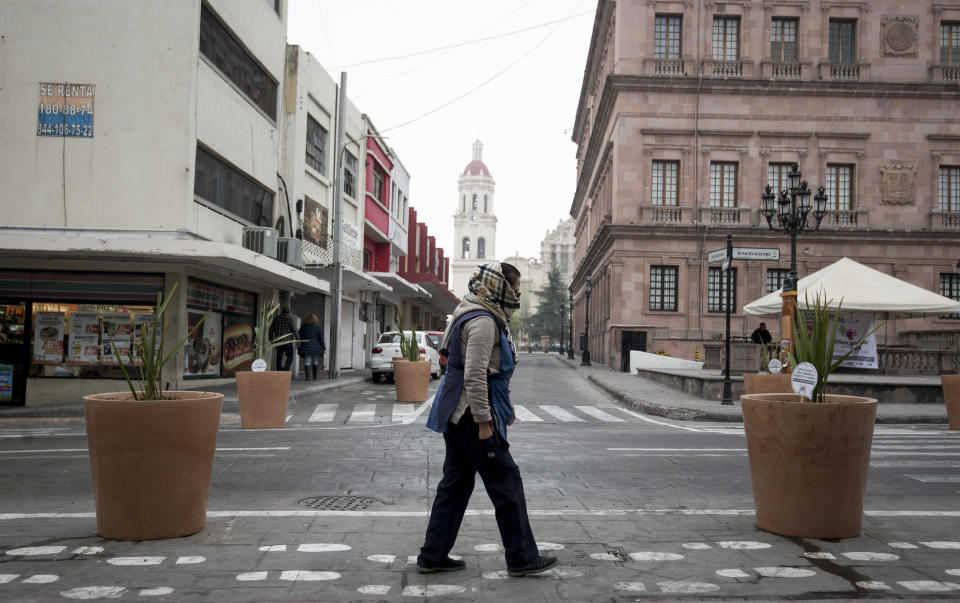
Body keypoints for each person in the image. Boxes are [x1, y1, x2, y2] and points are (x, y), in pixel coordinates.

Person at [417, 262, 558, 577]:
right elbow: (475, 375)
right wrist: (484, 420)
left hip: (455, 412)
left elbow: (488, 374)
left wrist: (504, 407)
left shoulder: (474, 311)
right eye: (516, 290)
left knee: (455, 484)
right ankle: (522, 557)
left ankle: (433, 554)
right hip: (470, 415)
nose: (518, 296)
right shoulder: (483, 321)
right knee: (506, 481)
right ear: (501, 289)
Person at [297, 314, 326, 381]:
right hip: (316, 347)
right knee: (315, 361)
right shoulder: (317, 327)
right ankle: (315, 376)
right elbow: (320, 338)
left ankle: (307, 377)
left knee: (307, 361)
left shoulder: (303, 327)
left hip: (306, 347)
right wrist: (324, 347)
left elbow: (299, 336)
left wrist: (298, 343)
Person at [269, 307, 298, 371]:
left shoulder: (276, 318)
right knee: (290, 356)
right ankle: (285, 369)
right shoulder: (290, 318)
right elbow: (294, 330)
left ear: (282, 311)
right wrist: (298, 339)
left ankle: (279, 371)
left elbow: (271, 329)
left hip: (278, 341)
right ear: (289, 312)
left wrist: (271, 339)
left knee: (279, 357)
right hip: (288, 341)